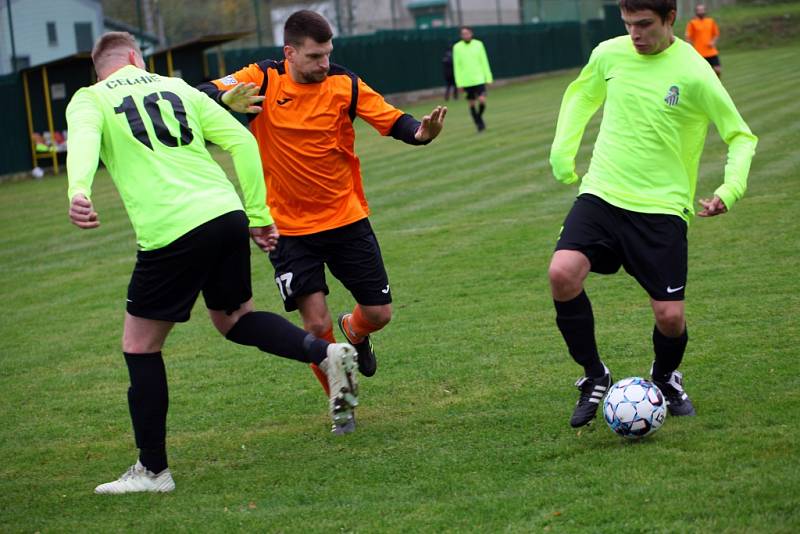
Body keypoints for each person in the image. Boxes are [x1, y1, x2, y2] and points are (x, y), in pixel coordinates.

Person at [66, 32, 360, 494]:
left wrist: (78, 190)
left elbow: (82, 141)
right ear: (136, 59)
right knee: (234, 318)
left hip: (172, 228)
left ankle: (153, 471)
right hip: (225, 215)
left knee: (140, 347)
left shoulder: (90, 98)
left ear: (99, 67)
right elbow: (243, 145)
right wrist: (259, 216)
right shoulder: (178, 87)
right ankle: (324, 353)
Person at [197, 10, 446, 406]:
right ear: (289, 52)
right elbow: (198, 92)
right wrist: (226, 98)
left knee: (379, 313)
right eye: (315, 56)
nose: (324, 63)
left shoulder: (343, 83)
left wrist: (420, 133)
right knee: (315, 323)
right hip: (288, 230)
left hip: (346, 218)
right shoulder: (261, 78)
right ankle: (340, 400)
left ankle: (356, 331)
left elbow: (391, 118)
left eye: (327, 54)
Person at [548, 0, 757, 428]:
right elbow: (581, 96)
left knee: (670, 316)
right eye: (628, 25)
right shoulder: (609, 53)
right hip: (603, 192)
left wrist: (729, 189)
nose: (635, 35)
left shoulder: (695, 71)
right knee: (562, 273)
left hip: (662, 208)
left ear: (669, 20)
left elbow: (740, 136)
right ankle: (594, 376)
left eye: (644, 25)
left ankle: (664, 377)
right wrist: (562, 153)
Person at [452, 26, 493, 132]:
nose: (466, 35)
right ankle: (479, 124)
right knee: (471, 103)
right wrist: (459, 83)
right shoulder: (457, 47)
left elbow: (484, 61)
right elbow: (457, 66)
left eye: (467, 33)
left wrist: (488, 77)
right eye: (463, 34)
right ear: (461, 35)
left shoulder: (479, 44)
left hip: (479, 79)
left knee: (482, 101)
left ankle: (478, 118)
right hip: (466, 81)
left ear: (471, 33)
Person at [685, 3, 722, 78]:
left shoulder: (710, 21)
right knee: (703, 74)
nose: (701, 11)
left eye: (702, 10)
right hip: (700, 53)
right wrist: (690, 47)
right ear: (696, 12)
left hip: (711, 51)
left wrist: (713, 42)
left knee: (718, 70)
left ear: (705, 11)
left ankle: (717, 83)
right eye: (699, 10)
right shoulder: (692, 23)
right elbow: (688, 37)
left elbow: (716, 34)